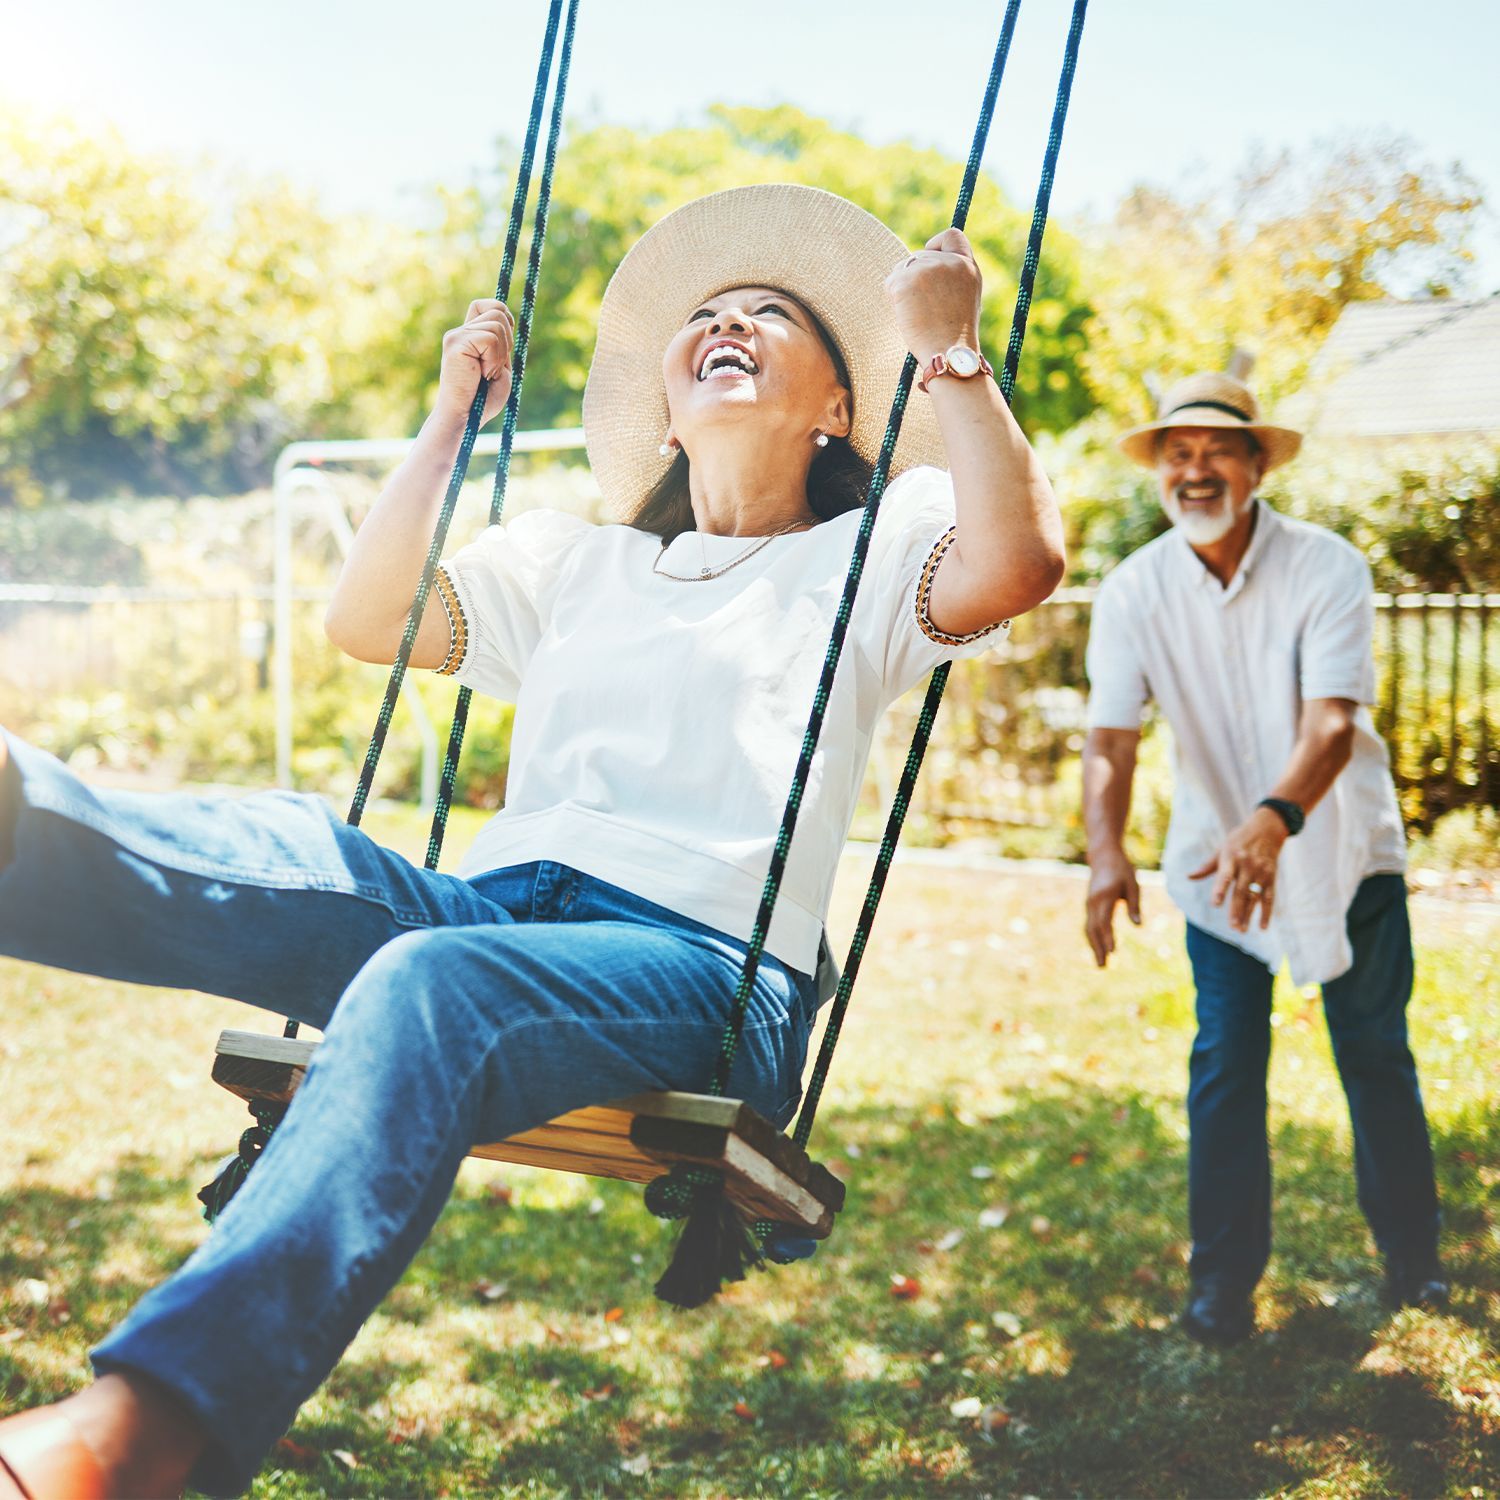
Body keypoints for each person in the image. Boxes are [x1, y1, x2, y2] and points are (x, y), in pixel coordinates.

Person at [0, 183, 1064, 1498]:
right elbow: (368, 618)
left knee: (431, 982)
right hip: (491, 916)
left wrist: (951, 353)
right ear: (665, 409)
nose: (728, 322)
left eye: (770, 316)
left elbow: (1018, 561)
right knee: (298, 847)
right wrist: (451, 417)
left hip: (704, 973)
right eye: (707, 318)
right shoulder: (572, 560)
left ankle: (143, 1435)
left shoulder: (875, 544)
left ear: (838, 409)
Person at [1081, 370, 1446, 1348]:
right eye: (1176, 454)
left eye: (1215, 452)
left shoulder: (1328, 567)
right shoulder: (1132, 591)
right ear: (1161, 473)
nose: (1193, 471)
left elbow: (1333, 722)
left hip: (1339, 847)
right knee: (1226, 1063)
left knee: (1374, 1055)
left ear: (1254, 466)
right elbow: (1110, 740)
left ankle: (1415, 1260)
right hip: (1217, 867)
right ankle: (1221, 1285)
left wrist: (1274, 818)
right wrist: (1103, 853)